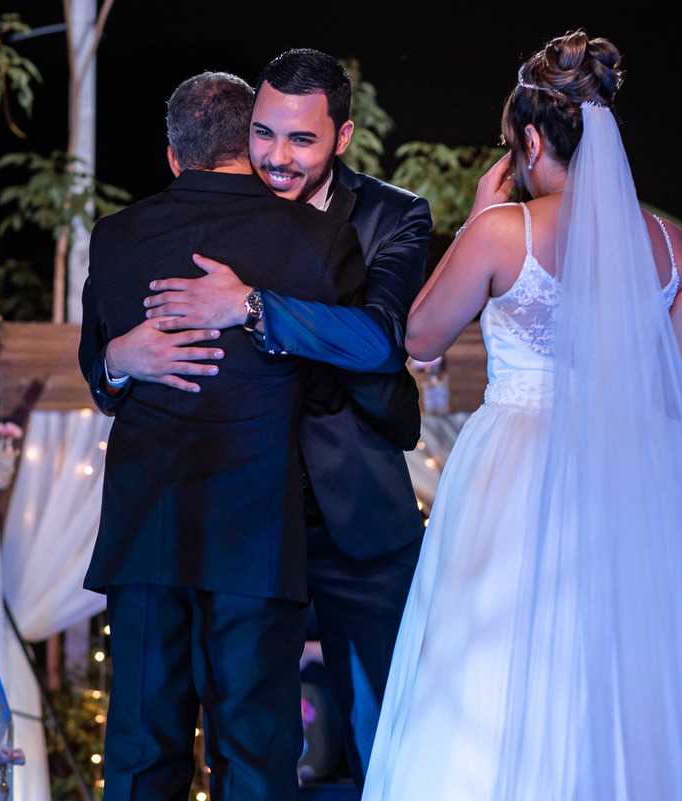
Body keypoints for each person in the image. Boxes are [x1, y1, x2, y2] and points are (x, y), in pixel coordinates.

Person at [361, 31, 682, 799]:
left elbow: (417, 335)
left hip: (516, 474)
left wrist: (478, 218)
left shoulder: (503, 232)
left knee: (495, 663)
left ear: (529, 138)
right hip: (633, 478)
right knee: (627, 663)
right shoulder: (671, 246)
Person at [89, 49, 431, 788]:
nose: (276, 157)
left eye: (300, 140)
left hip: (346, 509)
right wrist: (119, 355)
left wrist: (249, 305)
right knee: (245, 738)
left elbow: (377, 340)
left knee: (388, 732)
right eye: (264, 134)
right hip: (236, 515)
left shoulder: (390, 217)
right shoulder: (210, 220)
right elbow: (107, 351)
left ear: (341, 138)